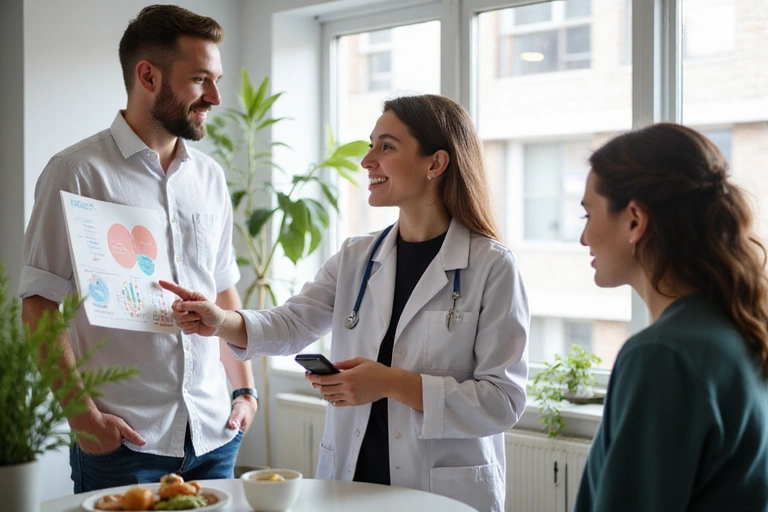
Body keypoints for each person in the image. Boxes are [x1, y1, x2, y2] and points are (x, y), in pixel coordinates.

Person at [159, 94, 529, 512]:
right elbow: (293, 323)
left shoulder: (491, 266)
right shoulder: (358, 257)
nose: (367, 160)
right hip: (353, 483)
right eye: (371, 144)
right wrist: (221, 321)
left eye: (386, 147)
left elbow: (503, 402)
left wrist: (389, 383)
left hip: (441, 491)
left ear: (435, 164)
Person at [19, 5, 257, 492]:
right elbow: (39, 307)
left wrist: (246, 390)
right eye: (199, 80)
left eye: (216, 79)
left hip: (216, 437)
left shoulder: (209, 178)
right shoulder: (76, 173)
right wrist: (82, 416)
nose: (214, 96)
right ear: (147, 75)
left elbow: (224, 292)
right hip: (124, 444)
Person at [573, 123, 768, 511]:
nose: (584, 238)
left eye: (587, 215)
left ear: (634, 220)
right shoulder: (738, 327)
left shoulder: (663, 356)